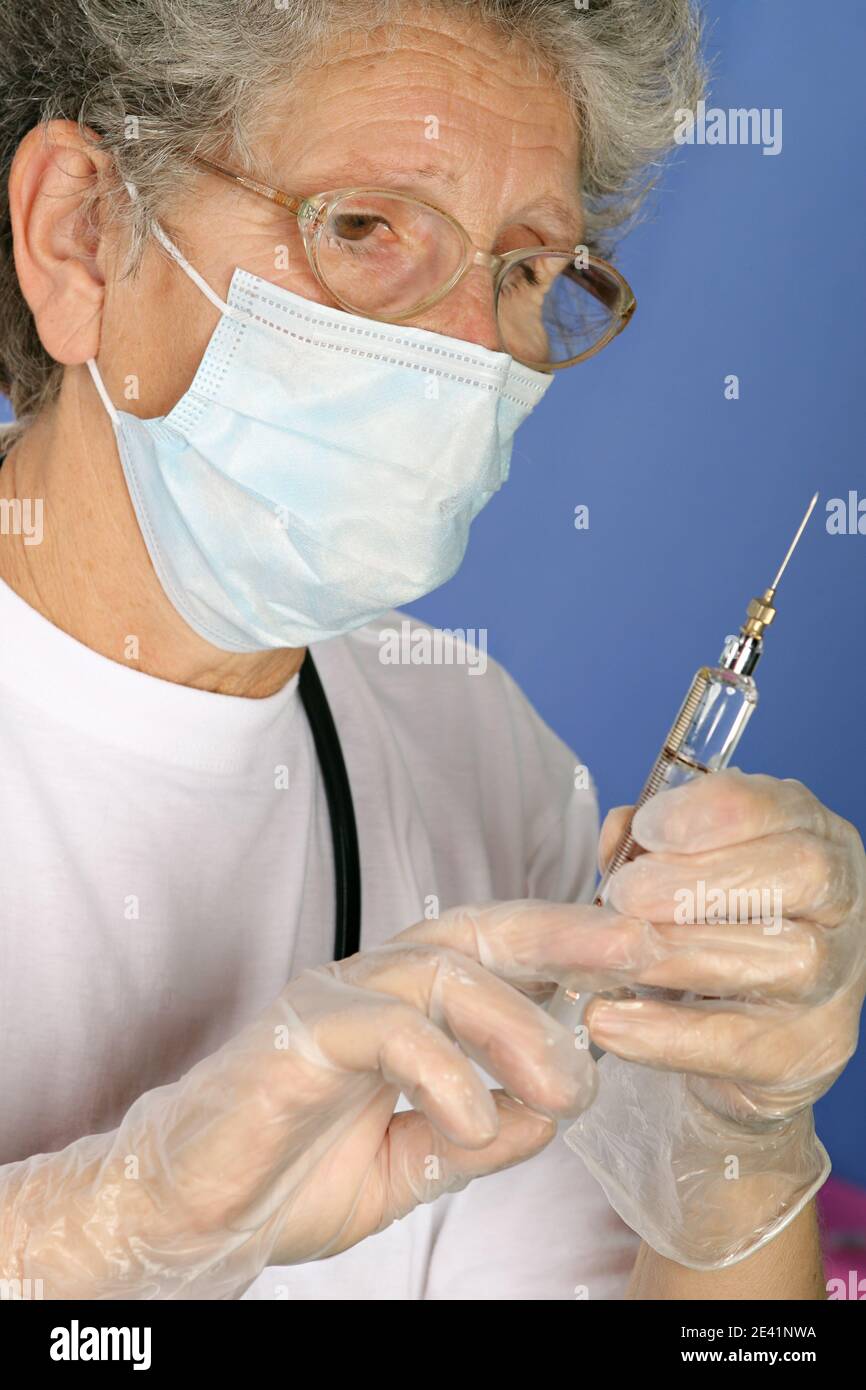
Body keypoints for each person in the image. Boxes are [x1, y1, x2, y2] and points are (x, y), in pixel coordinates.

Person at [0, 0, 862, 1302]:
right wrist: (90, 1232)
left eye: (521, 269)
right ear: (81, 236)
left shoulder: (475, 756)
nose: (468, 353)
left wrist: (729, 1158)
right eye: (362, 226)